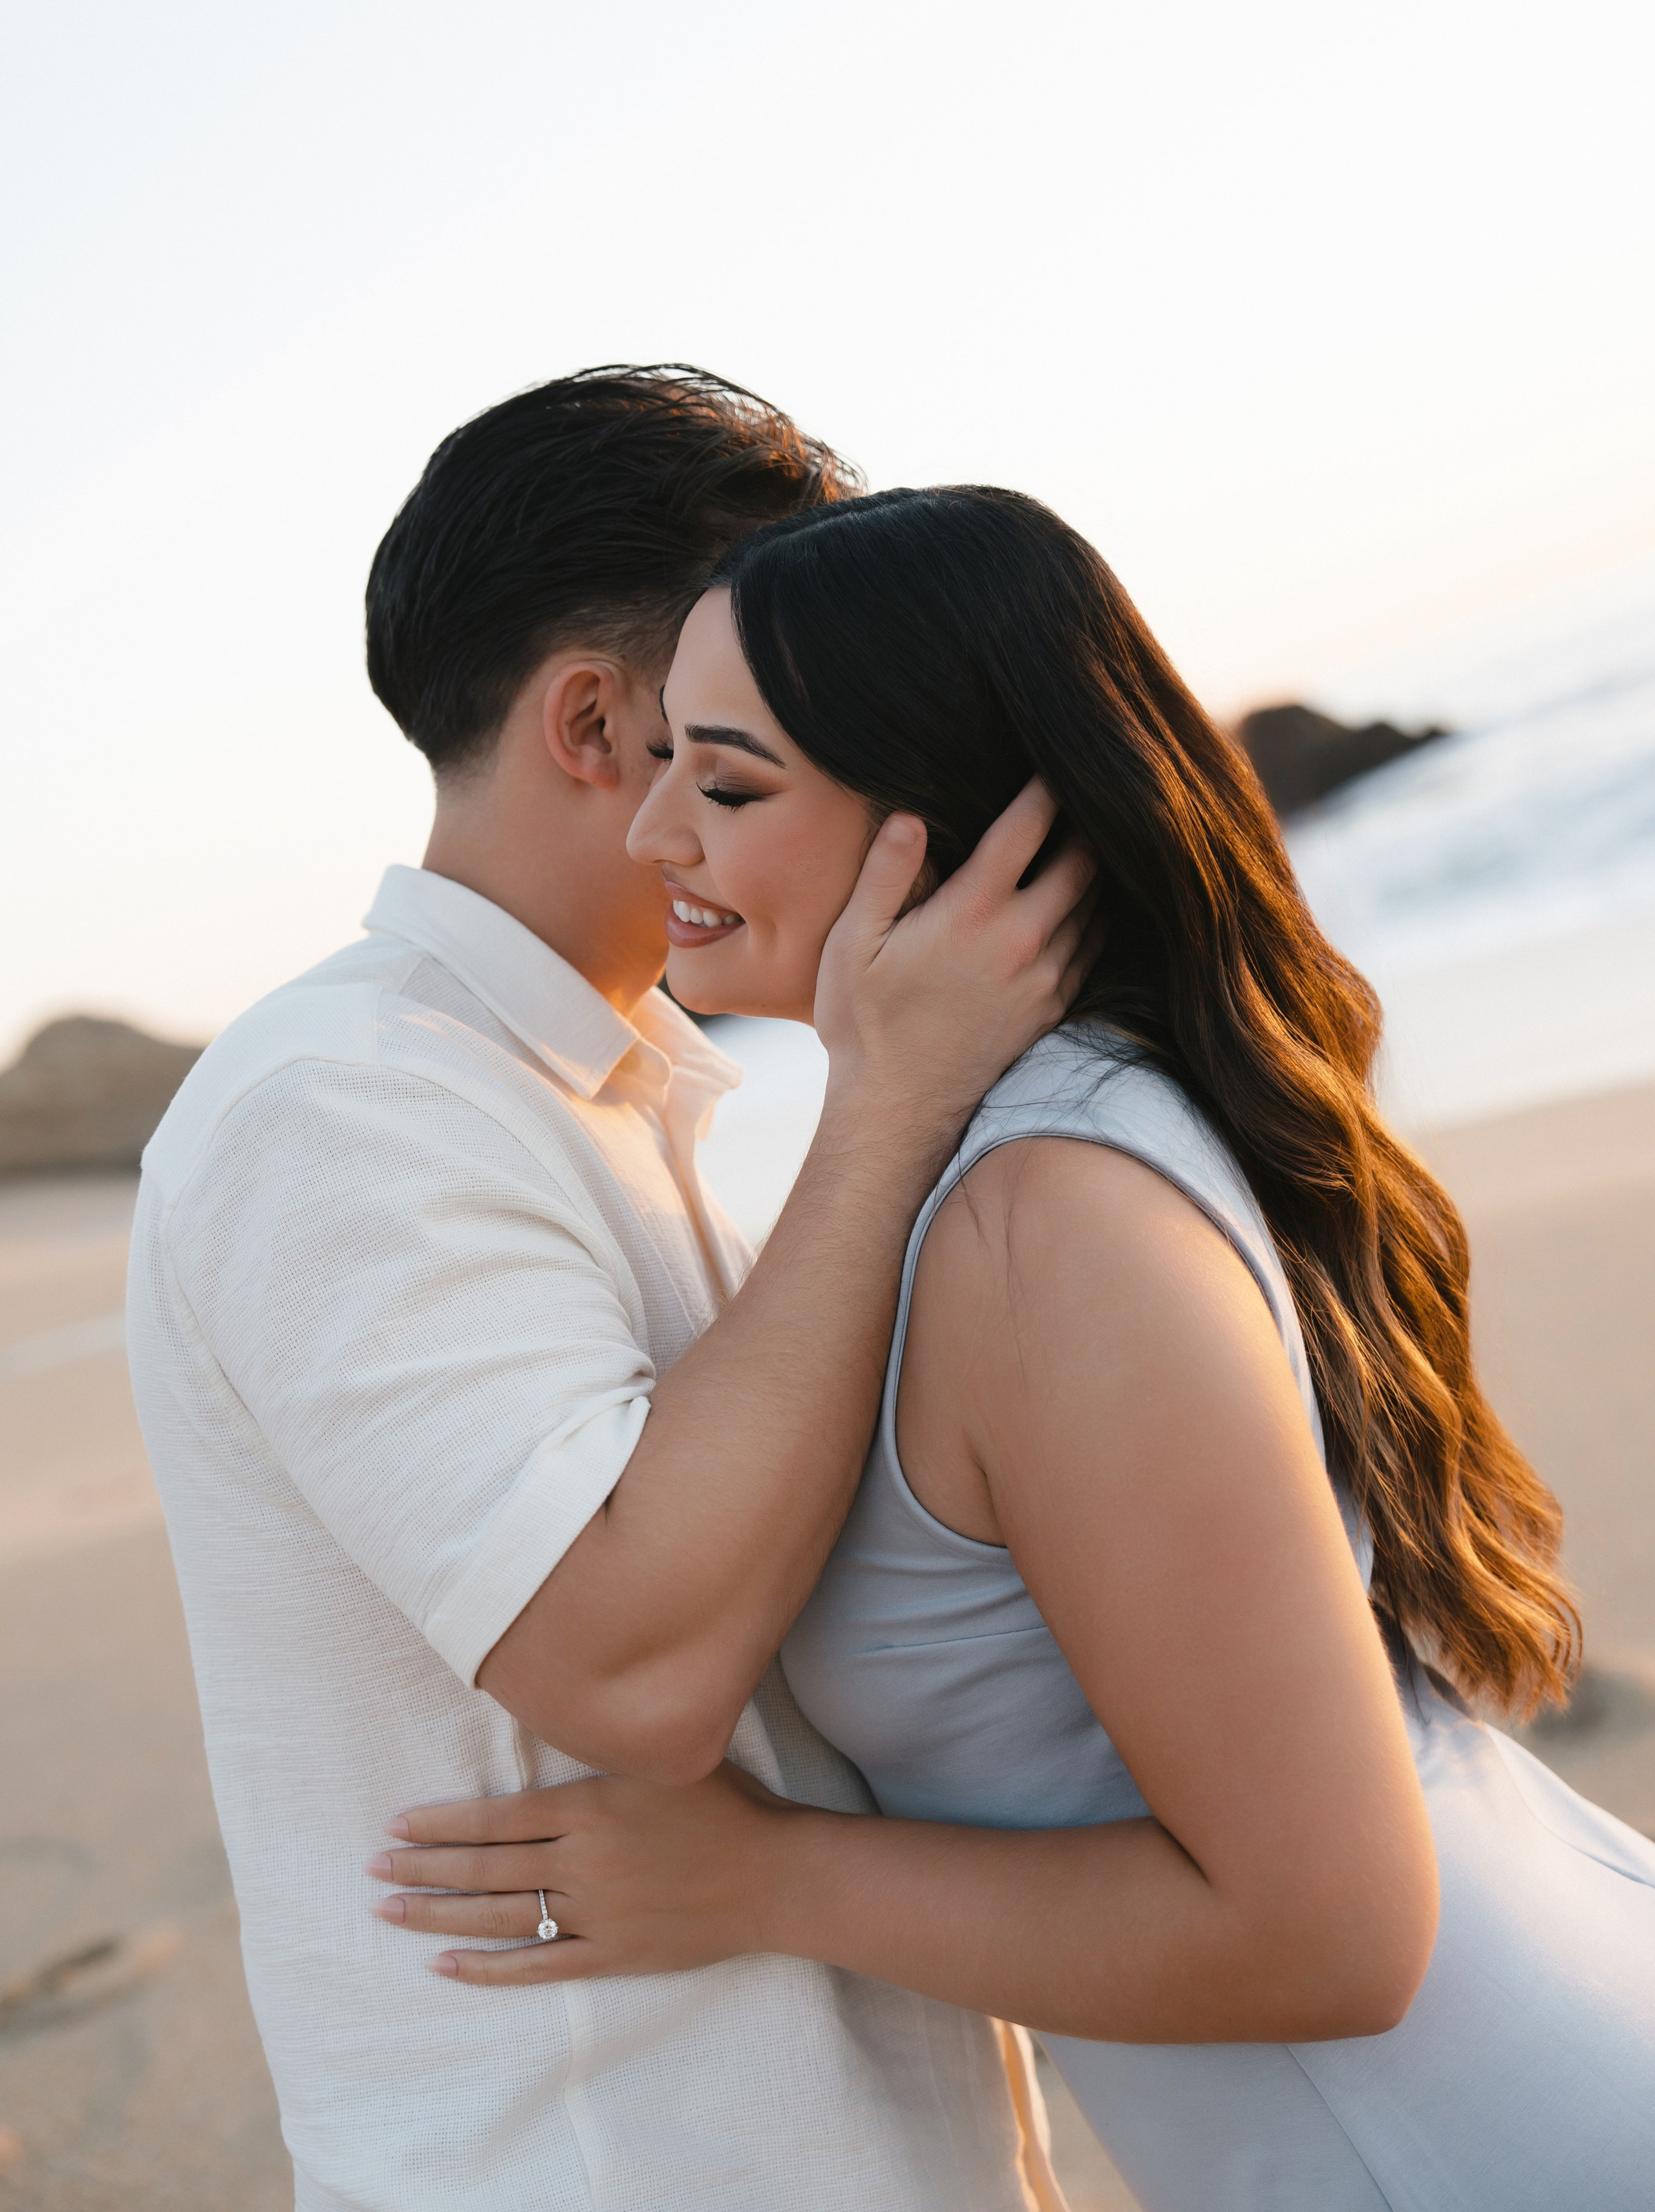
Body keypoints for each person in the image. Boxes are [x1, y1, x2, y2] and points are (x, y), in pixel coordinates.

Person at [379, 486, 1655, 2212]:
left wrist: (765, 1883)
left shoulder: (1043, 1216)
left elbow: (1332, 1934)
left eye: (731, 782)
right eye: (666, 757)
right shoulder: (1018, 1146)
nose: (652, 831)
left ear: (960, 829)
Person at [126, 385, 1094, 2212]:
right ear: (595, 722)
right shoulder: (340, 1108)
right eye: (776, 699)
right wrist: (891, 1106)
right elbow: (630, 1658)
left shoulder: (568, 1090)